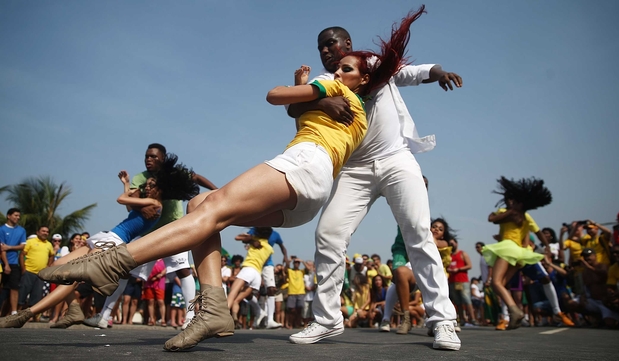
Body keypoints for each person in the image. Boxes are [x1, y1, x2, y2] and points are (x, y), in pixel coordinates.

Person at [39, 5, 419, 352]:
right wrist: (311, 94)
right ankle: (214, 308)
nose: (336, 70)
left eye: (346, 68)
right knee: (201, 205)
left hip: (302, 162)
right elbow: (296, 107)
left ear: (360, 77)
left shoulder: (333, 86)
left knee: (212, 206)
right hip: (311, 194)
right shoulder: (358, 112)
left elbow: (275, 96)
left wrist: (308, 87)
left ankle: (112, 263)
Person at [286, 13, 462, 351]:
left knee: (418, 233)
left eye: (330, 43)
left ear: (347, 45)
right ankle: (326, 319)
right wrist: (323, 100)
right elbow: (294, 106)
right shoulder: (328, 79)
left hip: (396, 160)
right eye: (320, 47)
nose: (325, 51)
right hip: (354, 170)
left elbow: (412, 73)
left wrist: (439, 72)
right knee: (329, 233)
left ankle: (442, 321)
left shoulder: (374, 64)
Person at [0, 155, 198, 328]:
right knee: (56, 269)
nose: (147, 186)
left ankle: (26, 314)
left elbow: (122, 200)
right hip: (105, 237)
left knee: (71, 278)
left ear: (161, 190)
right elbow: (129, 206)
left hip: (112, 242)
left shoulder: (155, 204)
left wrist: (126, 190)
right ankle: (75, 309)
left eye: (151, 185)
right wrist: (126, 183)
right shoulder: (147, 204)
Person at [83, 143, 218, 330]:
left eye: (154, 157)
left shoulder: (172, 174)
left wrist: (217, 192)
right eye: (147, 156)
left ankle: (190, 317)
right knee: (124, 270)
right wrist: (142, 203)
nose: (149, 159)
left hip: (174, 228)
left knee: (182, 270)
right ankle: (104, 316)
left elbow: (196, 178)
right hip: (148, 233)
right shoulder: (140, 178)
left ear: (163, 158)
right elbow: (131, 203)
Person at [482, 176, 552, 330]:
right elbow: (538, 232)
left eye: (512, 200)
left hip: (507, 248)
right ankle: (513, 315)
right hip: (519, 253)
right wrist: (547, 247)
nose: (509, 202)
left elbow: (492, 219)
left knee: (496, 282)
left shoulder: (512, 213)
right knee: (501, 284)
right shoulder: (525, 215)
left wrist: (511, 210)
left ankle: (514, 312)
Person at [380, 217, 453, 336]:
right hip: (414, 273)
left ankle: (439, 322)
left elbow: (434, 241)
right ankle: (402, 319)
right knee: (399, 273)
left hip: (434, 279)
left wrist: (423, 230)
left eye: (440, 229)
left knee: (436, 290)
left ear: (443, 234)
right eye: (434, 226)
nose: (436, 229)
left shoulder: (443, 243)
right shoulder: (416, 240)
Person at [235, 226, 288, 329]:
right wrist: (252, 240)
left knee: (271, 289)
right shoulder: (255, 230)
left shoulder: (275, 234)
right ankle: (260, 311)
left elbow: (282, 246)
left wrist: (285, 256)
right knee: (247, 292)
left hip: (267, 263)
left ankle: (270, 320)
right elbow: (240, 237)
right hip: (254, 263)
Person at [226, 227, 274, 329]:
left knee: (232, 293)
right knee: (237, 300)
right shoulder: (270, 248)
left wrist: (251, 239)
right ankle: (235, 317)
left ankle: (222, 316)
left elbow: (237, 237)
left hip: (248, 269)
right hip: (257, 274)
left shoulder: (254, 239)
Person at [18, 226, 54, 314]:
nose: (45, 233)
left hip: (40, 275)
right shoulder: (30, 242)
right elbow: (22, 255)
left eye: (47, 231)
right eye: (43, 231)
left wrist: (48, 266)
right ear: (38, 232)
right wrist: (23, 269)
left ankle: (30, 316)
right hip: (28, 272)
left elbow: (51, 255)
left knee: (36, 296)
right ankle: (17, 312)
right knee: (22, 294)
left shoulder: (49, 244)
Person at [0, 208, 27, 316]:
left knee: (14, 287)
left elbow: (22, 245)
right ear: (9, 216)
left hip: (14, 263)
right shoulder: (2, 229)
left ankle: (14, 312)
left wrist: (10, 247)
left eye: (19, 216)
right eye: (15, 215)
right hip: (2, 263)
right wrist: (6, 264)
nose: (17, 217)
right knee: (2, 289)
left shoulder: (21, 230)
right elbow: (2, 249)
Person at [447, 238, 476, 326]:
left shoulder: (462, 254)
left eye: (453, 243)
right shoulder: (448, 256)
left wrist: (458, 269)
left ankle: (473, 319)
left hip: (463, 281)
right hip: (452, 281)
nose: (452, 245)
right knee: (457, 301)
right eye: (450, 244)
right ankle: (462, 319)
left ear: (456, 243)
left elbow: (469, 265)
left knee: (467, 300)